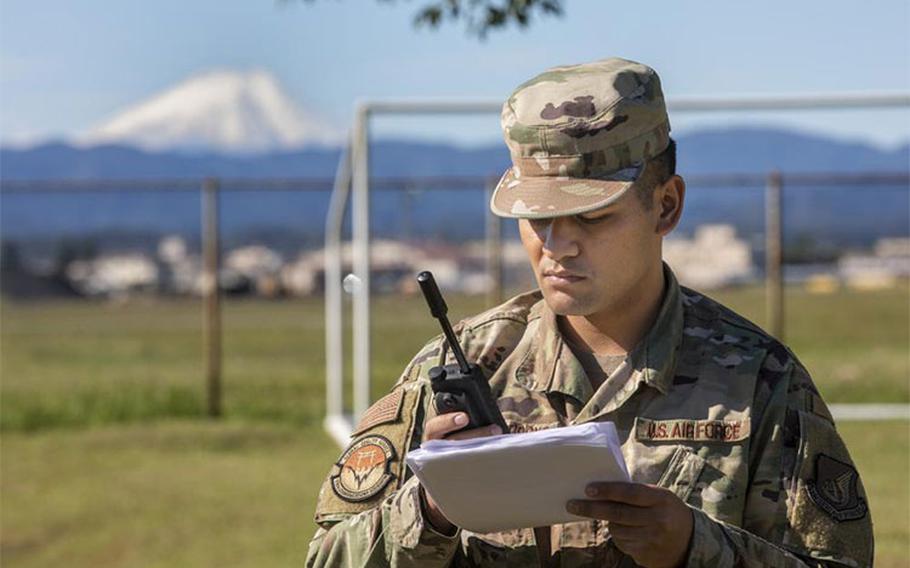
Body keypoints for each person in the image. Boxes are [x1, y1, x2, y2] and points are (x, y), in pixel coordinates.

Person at [305, 57, 873, 568]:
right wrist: (431, 507)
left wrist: (693, 549)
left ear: (666, 205)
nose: (557, 245)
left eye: (592, 217)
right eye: (536, 219)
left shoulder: (758, 380)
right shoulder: (466, 365)